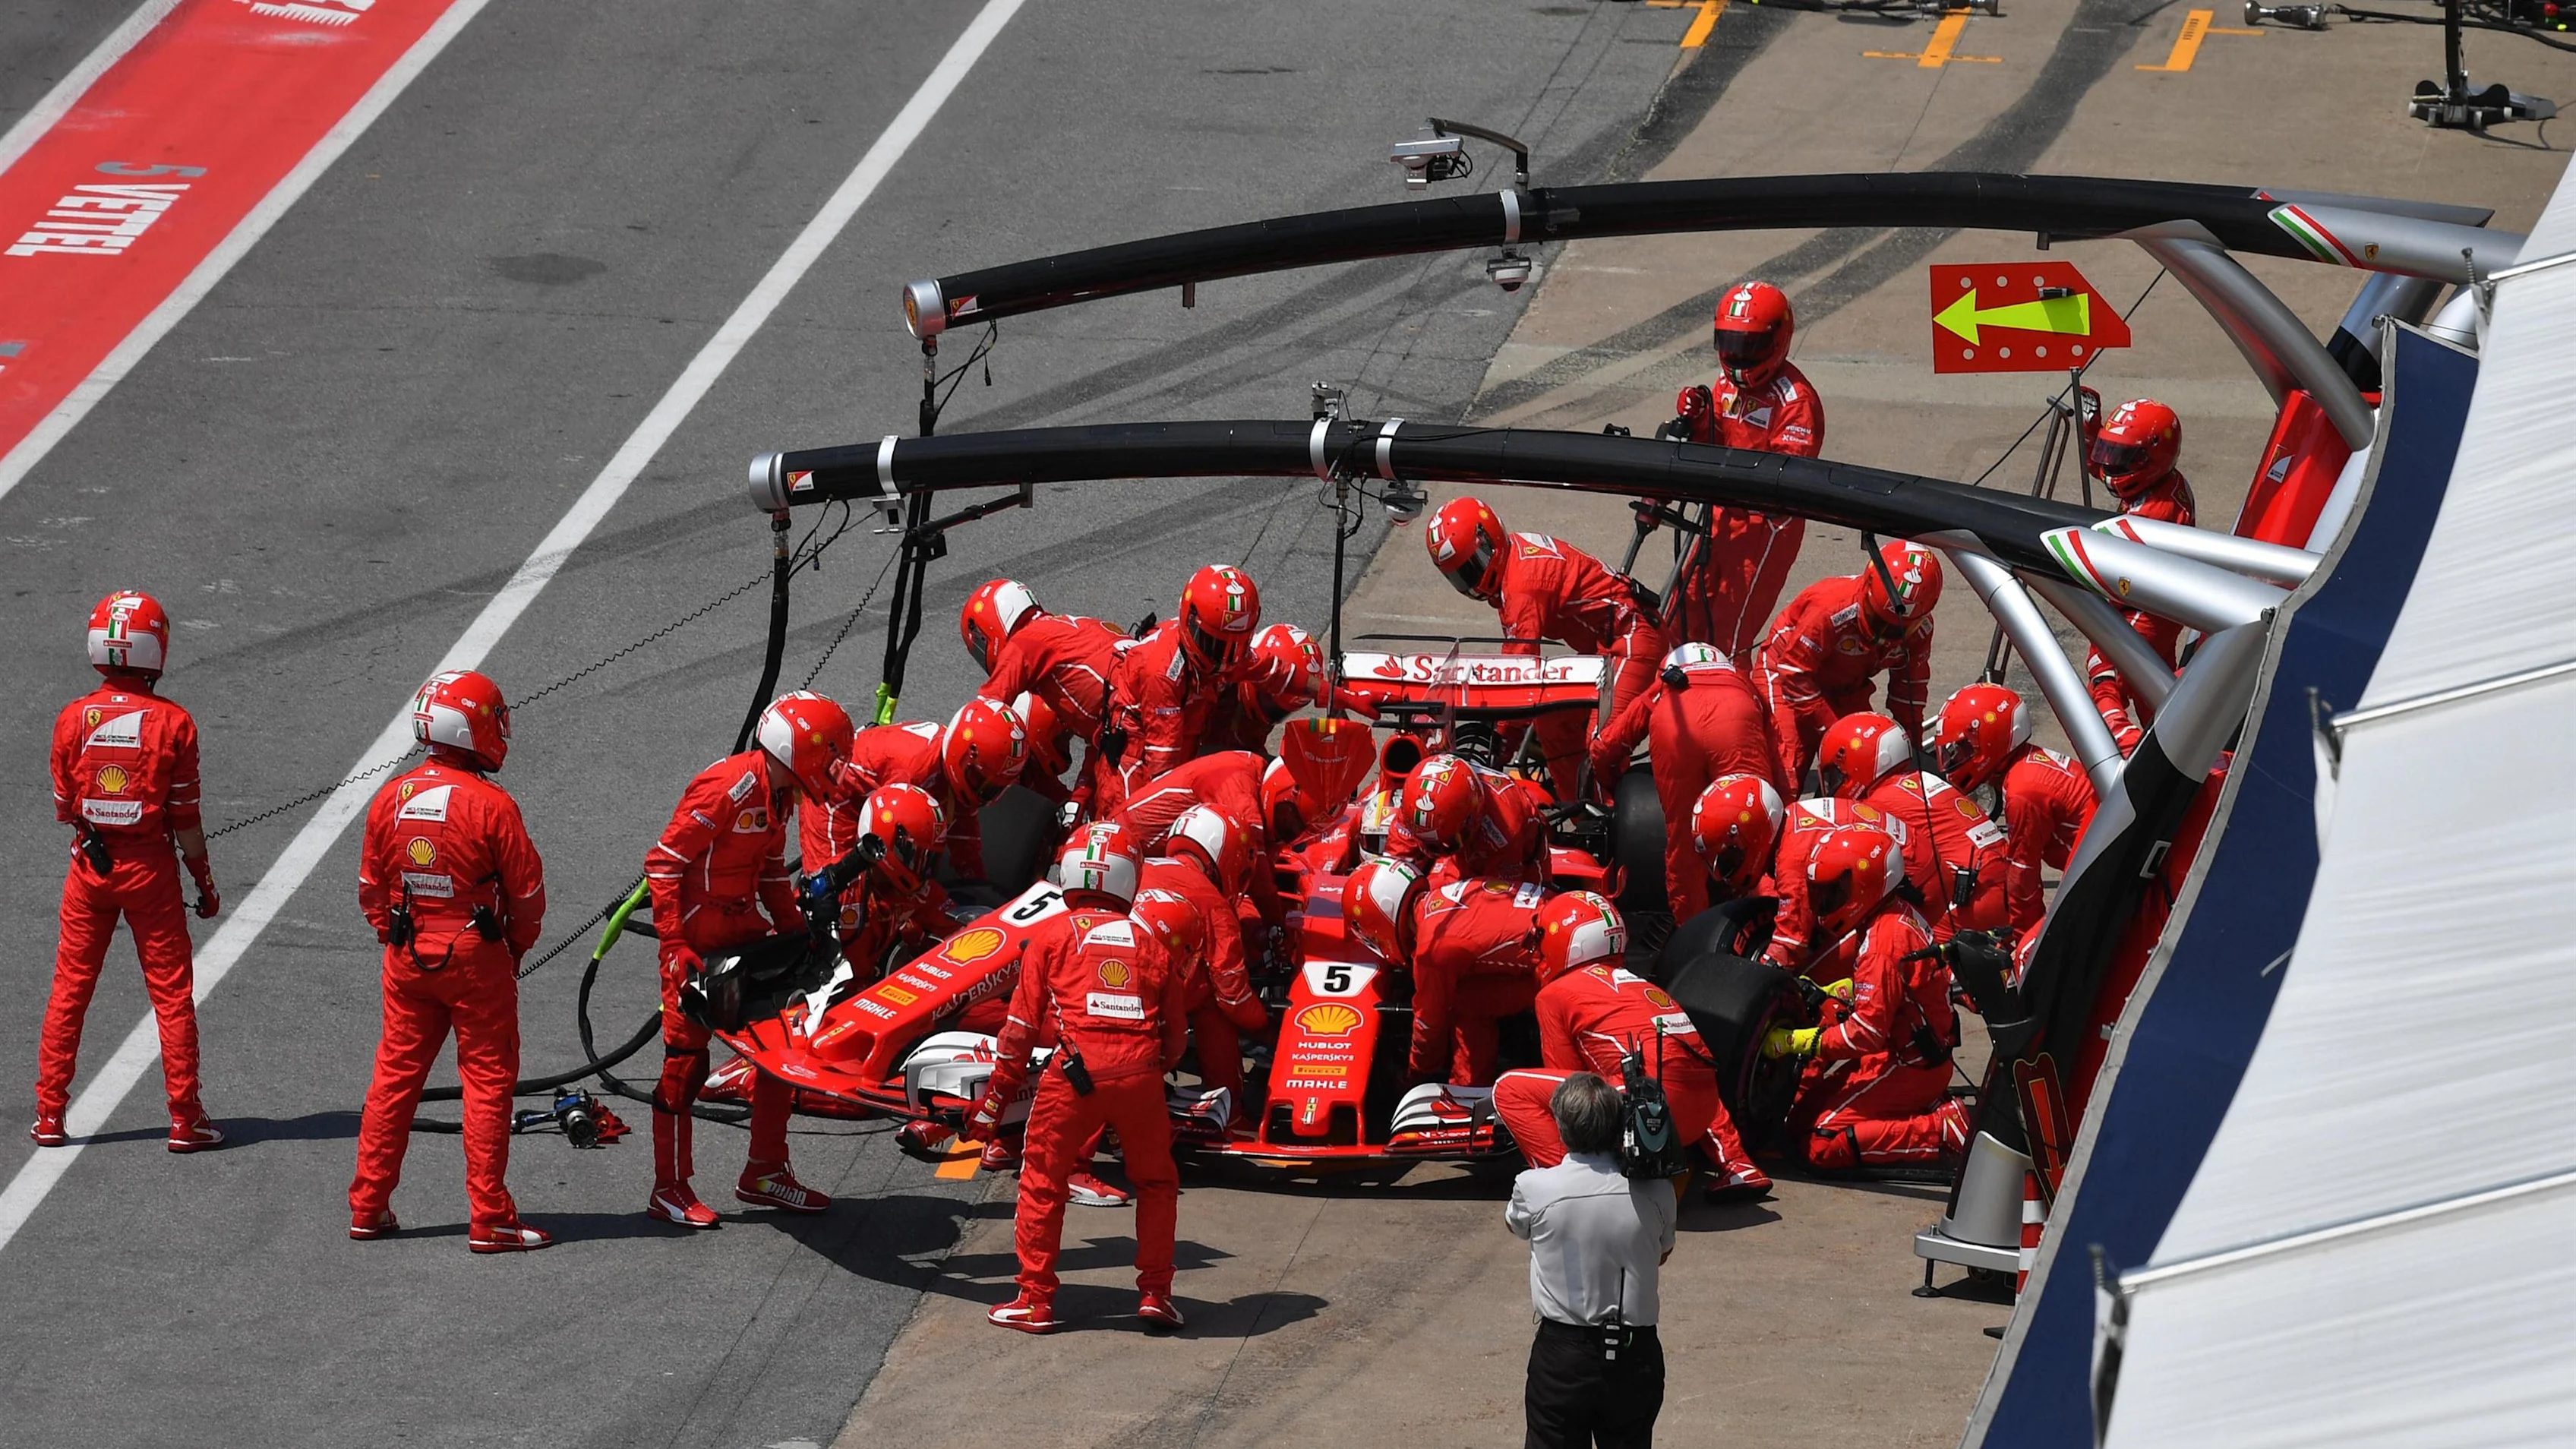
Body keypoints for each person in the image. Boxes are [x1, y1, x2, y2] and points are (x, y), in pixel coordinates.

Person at [349, 670, 550, 1251]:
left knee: (393, 1081)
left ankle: (367, 1206)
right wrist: (516, 947)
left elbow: (370, 886)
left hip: (408, 956)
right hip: (476, 957)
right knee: (487, 1082)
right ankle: (490, 1218)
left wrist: (391, 932)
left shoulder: (390, 796)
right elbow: (529, 893)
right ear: (474, 729)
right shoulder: (493, 805)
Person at [964, 822, 1188, 1334]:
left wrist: (995, 1101)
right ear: (1130, 878)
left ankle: (1035, 1300)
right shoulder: (1151, 944)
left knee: (1042, 1181)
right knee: (1156, 1182)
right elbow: (1175, 1037)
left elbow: (1019, 1029)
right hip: (1141, 1076)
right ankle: (1156, 1293)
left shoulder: (1052, 937)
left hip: (1073, 1077)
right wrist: (1147, 1073)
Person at [642, 690, 853, 1228]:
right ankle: (669, 1189)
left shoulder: (782, 794)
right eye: (831, 754)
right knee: (684, 1071)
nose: (838, 766)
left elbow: (768, 874)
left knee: (781, 1050)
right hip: (697, 945)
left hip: (744, 937)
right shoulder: (729, 787)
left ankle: (764, 1170)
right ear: (800, 749)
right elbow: (664, 864)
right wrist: (674, 946)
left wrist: (795, 935)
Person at [36, 591, 223, 1152]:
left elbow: (65, 806)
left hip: (89, 869)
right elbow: (186, 817)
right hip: (151, 870)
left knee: (70, 990)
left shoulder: (72, 718)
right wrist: (204, 879)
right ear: (155, 648)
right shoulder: (174, 724)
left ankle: (49, 1114)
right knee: (171, 994)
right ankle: (185, 1119)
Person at [1492, 893, 1772, 1199]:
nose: (1539, 951)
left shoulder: (1555, 995)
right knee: (1679, 1067)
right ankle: (1738, 1165)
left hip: (1651, 1110)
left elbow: (1569, 1091)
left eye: (1543, 937)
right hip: (1702, 1109)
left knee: (1509, 1089)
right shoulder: (1642, 984)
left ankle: (1577, 1187)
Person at [1422, 496, 1665, 800]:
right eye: (1460, 576)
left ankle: (1610, 825)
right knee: (1552, 722)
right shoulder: (1515, 560)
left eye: (1473, 566)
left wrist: (1496, 753)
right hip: (1604, 647)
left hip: (1631, 637)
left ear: (1489, 539)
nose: (1471, 582)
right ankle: (1577, 812)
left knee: (1602, 744)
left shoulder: (1522, 588)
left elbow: (1518, 679)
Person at [1763, 826, 1969, 1170]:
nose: (1825, 903)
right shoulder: (1888, 915)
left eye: (1834, 891)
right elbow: (1889, 992)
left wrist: (1796, 1042)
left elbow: (1866, 1033)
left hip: (1912, 1065)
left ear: (1865, 884)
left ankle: (1941, 1129)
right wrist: (1837, 991)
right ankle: (1918, 1110)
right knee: (1796, 1124)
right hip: (1903, 1051)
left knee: (1820, 1145)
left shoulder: (1884, 940)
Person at [1506, 1072, 1674, 1449]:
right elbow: (1663, 1252)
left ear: (1562, 1128)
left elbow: (1516, 1227)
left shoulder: (1533, 1186)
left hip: (1563, 1355)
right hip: (1635, 1354)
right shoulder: (1658, 1188)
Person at [1663, 281, 1824, 656]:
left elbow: (1787, 480)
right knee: (1678, 620)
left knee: (1728, 637)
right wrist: (1701, 416)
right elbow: (1712, 441)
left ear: (1777, 340)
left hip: (1762, 529)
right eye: (1731, 344)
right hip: (1716, 516)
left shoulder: (1795, 401)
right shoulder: (1725, 386)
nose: (1737, 357)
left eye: (1749, 347)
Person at [1586, 642, 1780, 920]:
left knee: (1683, 845)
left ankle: (1692, 937)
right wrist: (1784, 805)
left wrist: (1612, 788)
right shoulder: (1741, 680)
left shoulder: (1664, 685)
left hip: (1675, 727)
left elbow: (1605, 748)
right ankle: (1770, 921)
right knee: (1759, 830)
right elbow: (1778, 746)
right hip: (1735, 717)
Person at [1750, 539, 1940, 792]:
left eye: (1898, 630)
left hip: (1848, 685)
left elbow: (1910, 692)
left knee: (1868, 767)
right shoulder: (1830, 608)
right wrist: (1834, 731)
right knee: (1787, 774)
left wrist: (1913, 753)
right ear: (1866, 590)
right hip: (1787, 673)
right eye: (1878, 621)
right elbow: (1794, 673)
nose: (1882, 637)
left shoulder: (1922, 631)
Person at [1346, 860, 1546, 1086]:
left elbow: (1429, 1025)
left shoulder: (1430, 950)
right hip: (1564, 922)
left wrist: (1415, 1075)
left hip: (1562, 962)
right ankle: (1472, 1086)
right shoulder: (1445, 894)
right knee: (1467, 998)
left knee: (1462, 1004)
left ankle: (1466, 1096)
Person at [1814, 711, 2006, 938]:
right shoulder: (1919, 779)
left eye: (1835, 775)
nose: (1834, 784)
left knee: (1886, 938)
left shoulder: (1879, 802)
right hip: (2000, 881)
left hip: (1970, 898)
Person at [2079, 399, 2199, 752]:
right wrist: (2091, 432)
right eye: (2109, 451)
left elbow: (2110, 578)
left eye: (2120, 456)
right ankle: (2177, 751)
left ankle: (2129, 754)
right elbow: (2101, 468)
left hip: (2144, 610)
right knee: (2156, 694)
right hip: (2160, 603)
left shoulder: (2152, 514)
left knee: (2104, 677)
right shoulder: (2158, 480)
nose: (2110, 465)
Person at [1933, 683, 2095, 934]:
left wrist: (2023, 940)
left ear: (1990, 739)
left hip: (2107, 873)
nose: (1954, 762)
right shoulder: (2029, 763)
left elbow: (2024, 878)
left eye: (1963, 749)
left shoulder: (2023, 791)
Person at [1100, 564, 1263, 814]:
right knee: (1127, 838)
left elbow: (1277, 670)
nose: (1225, 661)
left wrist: (1334, 695)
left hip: (1181, 755)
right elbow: (1162, 771)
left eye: (1234, 647)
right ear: (1192, 622)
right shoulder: (1164, 672)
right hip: (1138, 764)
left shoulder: (1224, 657)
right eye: (1215, 646)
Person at [1135, 807, 1268, 1111]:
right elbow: (1233, 996)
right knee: (1214, 1001)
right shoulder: (1215, 905)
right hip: (1141, 1013)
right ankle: (1230, 1108)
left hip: (1084, 978)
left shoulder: (1140, 865)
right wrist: (1265, 1024)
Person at [819, 697, 1028, 882]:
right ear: (965, 756)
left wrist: (976, 881)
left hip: (880, 795)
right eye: (981, 781)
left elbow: (964, 829)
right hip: (838, 795)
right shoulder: (916, 772)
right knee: (839, 890)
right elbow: (890, 850)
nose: (983, 792)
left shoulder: (953, 771)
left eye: (993, 788)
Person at [967, 579, 1128, 800]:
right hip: (1139, 710)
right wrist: (1079, 798)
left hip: (1133, 720)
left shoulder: (1027, 640)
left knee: (1122, 815)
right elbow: (1097, 739)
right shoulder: (1074, 625)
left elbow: (986, 710)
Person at [805, 782, 953, 978]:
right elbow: (788, 942)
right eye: (915, 856)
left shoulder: (920, 891)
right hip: (825, 996)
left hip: (869, 995)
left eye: (927, 859)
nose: (922, 868)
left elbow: (957, 927)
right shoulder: (841, 885)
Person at [1381, 752, 1549, 886]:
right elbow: (1395, 858)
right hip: (1458, 849)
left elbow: (1500, 900)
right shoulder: (1415, 803)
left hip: (1522, 854)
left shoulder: (1504, 829)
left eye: (1445, 844)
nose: (1437, 850)